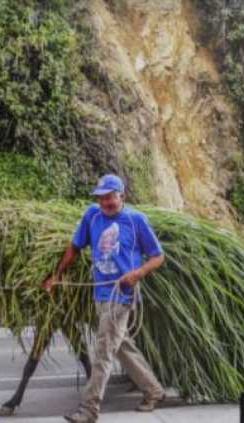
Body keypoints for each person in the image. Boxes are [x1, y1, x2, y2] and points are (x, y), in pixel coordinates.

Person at [42, 174, 166, 423]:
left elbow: (158, 256)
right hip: (101, 293)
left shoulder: (135, 220)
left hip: (122, 295)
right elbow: (75, 248)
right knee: (120, 345)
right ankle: (153, 390)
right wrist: (57, 275)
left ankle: (89, 409)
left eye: (110, 197)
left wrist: (138, 273)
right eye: (101, 198)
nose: (105, 202)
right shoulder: (92, 216)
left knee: (103, 351)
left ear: (122, 196)